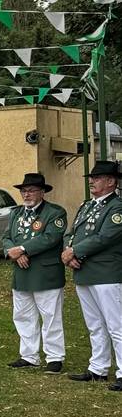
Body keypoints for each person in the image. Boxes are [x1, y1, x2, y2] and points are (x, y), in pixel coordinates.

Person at [62, 160, 122, 392]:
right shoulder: (87, 206)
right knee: (95, 324)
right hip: (84, 272)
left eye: (96, 178)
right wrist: (69, 251)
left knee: (116, 324)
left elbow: (106, 237)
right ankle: (98, 367)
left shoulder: (116, 207)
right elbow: (73, 233)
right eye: (92, 178)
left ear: (110, 181)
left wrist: (74, 251)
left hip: (107, 273)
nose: (92, 182)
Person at [2, 173, 67, 374]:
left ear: (42, 192)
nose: (26, 194)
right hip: (21, 272)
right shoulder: (16, 213)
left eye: (31, 190)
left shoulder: (55, 213)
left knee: (50, 316)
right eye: (23, 190)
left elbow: (50, 238)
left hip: (45, 273)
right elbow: (6, 237)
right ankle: (29, 355)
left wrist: (22, 249)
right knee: (22, 315)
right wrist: (13, 252)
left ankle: (54, 357)